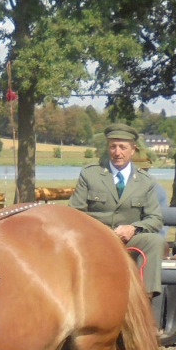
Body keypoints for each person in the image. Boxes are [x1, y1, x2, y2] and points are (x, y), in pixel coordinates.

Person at [69, 123, 165, 296]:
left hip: (129, 240)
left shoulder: (145, 181)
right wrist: (100, 232)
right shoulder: (90, 174)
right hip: (94, 239)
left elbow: (155, 219)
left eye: (122, 147)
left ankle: (144, 300)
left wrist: (133, 228)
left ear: (133, 149)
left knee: (155, 241)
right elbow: (74, 213)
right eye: (113, 146)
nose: (117, 152)